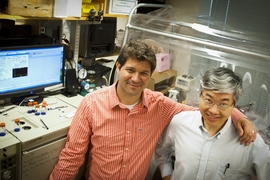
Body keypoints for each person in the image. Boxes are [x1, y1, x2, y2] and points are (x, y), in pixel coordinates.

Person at [50, 41, 256, 180]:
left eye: (144, 73)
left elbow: (201, 109)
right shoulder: (91, 104)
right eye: (130, 70)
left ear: (150, 75)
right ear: (119, 67)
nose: (136, 79)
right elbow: (72, 157)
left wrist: (238, 115)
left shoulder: (160, 105)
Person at [155, 67, 270, 180]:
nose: (213, 110)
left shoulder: (249, 141)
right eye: (208, 100)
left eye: (223, 104)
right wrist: (167, 175)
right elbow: (161, 150)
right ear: (200, 96)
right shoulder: (179, 123)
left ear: (234, 105)